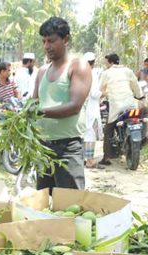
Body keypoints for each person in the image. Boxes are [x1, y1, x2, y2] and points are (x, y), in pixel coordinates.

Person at [32, 17, 91, 192]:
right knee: (44, 201)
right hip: (43, 146)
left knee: (69, 204)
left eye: (51, 40)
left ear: (65, 39)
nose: (46, 46)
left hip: (67, 147)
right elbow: (33, 103)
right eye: (43, 41)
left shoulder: (78, 66)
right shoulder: (42, 71)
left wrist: (39, 113)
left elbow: (75, 106)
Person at [99, 53, 143, 164]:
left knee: (108, 131)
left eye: (106, 63)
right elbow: (135, 85)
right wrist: (139, 96)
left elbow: (100, 89)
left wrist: (101, 97)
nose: (105, 65)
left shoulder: (107, 73)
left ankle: (106, 158)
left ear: (111, 62)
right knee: (140, 120)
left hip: (116, 106)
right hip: (131, 104)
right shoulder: (128, 71)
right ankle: (143, 137)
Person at [83, 52, 104, 168]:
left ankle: (84, 158)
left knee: (84, 133)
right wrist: (104, 93)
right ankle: (90, 160)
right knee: (90, 134)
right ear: (93, 63)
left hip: (82, 109)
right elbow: (95, 93)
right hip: (91, 109)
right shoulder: (92, 75)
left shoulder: (79, 74)